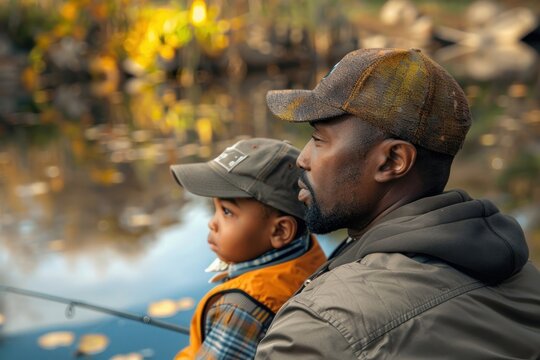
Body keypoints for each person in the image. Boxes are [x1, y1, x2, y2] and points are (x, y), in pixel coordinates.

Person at [255, 48, 540, 359]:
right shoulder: (526, 278)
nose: (302, 158)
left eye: (320, 140)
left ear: (393, 160)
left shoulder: (322, 328)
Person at [170, 137, 326, 359]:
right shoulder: (307, 253)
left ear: (280, 231)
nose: (211, 223)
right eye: (214, 208)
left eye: (226, 212)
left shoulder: (240, 310)